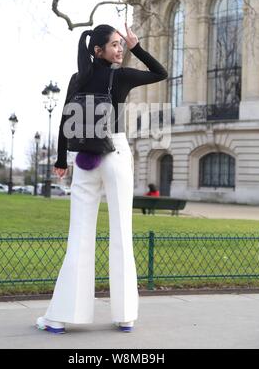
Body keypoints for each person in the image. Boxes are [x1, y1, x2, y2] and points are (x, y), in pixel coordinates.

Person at [36, 23, 167, 334]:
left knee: (79, 235)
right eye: (115, 45)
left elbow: (66, 120)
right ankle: (125, 316)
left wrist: (60, 160)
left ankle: (60, 317)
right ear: (99, 50)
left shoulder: (77, 79)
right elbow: (159, 73)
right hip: (116, 151)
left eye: (122, 45)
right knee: (122, 231)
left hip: (84, 158)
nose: (120, 49)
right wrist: (138, 48)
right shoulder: (120, 76)